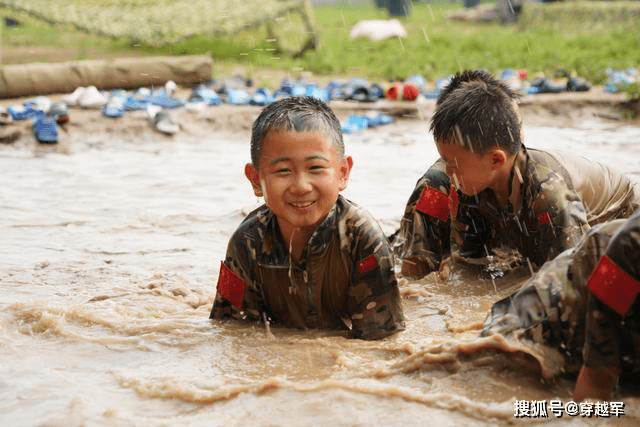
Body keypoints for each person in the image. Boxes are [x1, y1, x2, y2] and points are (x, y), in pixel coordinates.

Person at [394, 69, 639, 280]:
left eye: (517, 124)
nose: (518, 135)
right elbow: (460, 265)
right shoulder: (461, 180)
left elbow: (572, 276)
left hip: (623, 220)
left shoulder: (547, 188)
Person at [209, 96, 404, 340]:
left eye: (315, 168)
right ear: (255, 180)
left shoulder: (362, 238)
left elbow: (382, 342)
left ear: (343, 173)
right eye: (283, 171)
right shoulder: (245, 242)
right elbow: (232, 332)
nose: (301, 186)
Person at [482, 208, 640, 401]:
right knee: (500, 349)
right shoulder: (630, 246)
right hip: (589, 272)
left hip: (624, 293)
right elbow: (597, 380)